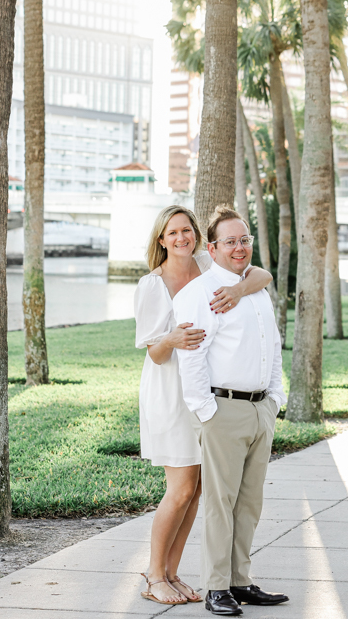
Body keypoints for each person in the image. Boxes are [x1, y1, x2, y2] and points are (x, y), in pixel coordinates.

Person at [134, 204, 273, 606]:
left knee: (196, 491)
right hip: (171, 391)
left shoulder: (207, 266)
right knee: (180, 489)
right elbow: (154, 353)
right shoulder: (152, 285)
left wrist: (238, 290)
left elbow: (261, 275)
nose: (181, 238)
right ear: (161, 240)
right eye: (172, 232)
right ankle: (154, 575)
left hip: (207, 389)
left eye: (187, 230)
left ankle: (172, 573)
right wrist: (171, 339)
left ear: (198, 237)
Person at [173, 206, 290, 617]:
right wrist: (207, 411)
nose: (239, 248)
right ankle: (216, 587)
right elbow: (191, 357)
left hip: (260, 409)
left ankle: (241, 581)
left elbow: (272, 345)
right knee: (220, 504)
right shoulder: (199, 294)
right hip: (223, 409)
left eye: (244, 240)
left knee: (249, 503)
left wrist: (275, 398)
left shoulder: (255, 288)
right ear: (212, 248)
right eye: (230, 242)